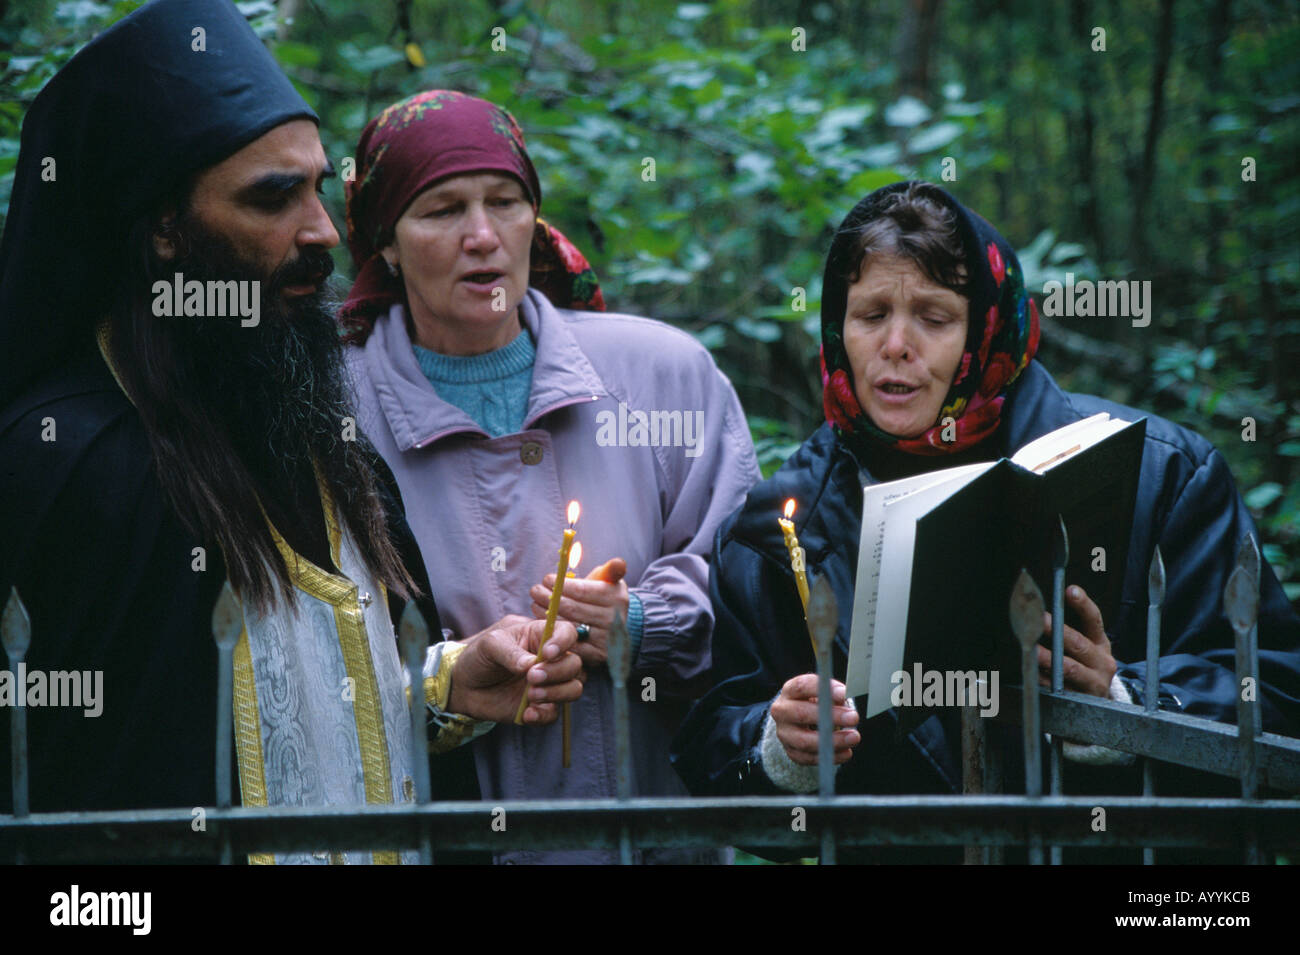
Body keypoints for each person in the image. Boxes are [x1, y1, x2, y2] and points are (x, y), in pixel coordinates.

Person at [0, 0, 583, 865]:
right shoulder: (75, 462)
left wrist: (444, 683)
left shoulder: (308, 429)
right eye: (272, 198)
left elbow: (303, 700)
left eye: (317, 187)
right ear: (164, 229)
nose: (320, 232)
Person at [670, 180, 1300, 862]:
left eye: (934, 317)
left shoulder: (1167, 473)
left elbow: (1276, 693)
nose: (896, 344)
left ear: (987, 327)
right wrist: (777, 744)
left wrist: (1124, 697)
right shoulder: (779, 526)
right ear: (836, 326)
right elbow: (712, 758)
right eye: (871, 313)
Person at [341, 90, 761, 864]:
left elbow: (755, 586)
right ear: (386, 246)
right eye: (439, 210)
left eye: (505, 201)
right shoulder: (334, 407)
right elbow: (298, 662)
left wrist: (642, 622)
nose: (480, 235)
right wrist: (445, 680)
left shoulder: (662, 374)